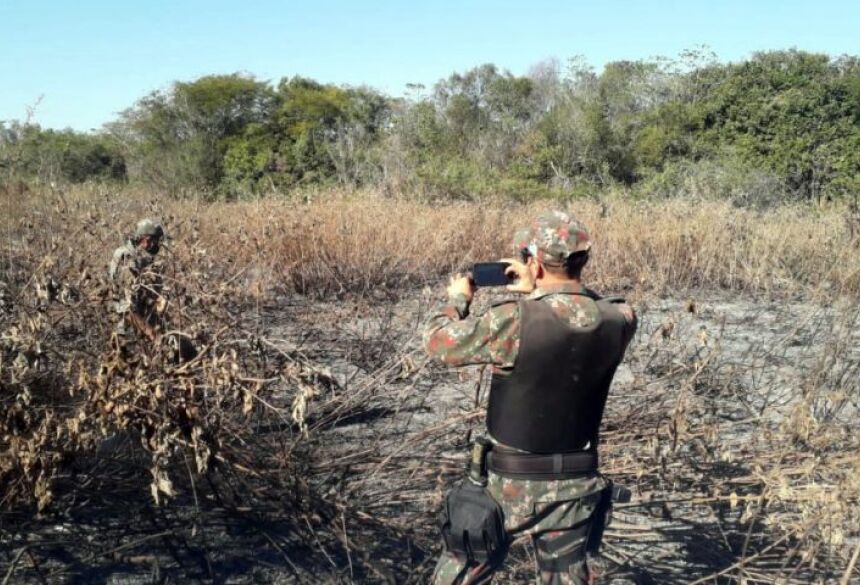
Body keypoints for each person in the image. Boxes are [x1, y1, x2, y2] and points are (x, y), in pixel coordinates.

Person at [424, 210, 637, 584]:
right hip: (576, 483)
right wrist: (541, 289)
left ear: (534, 262)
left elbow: (439, 342)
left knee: (462, 567)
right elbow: (581, 315)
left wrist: (457, 299)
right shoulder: (621, 318)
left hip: (507, 483)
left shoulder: (513, 319)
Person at [109, 218, 166, 343]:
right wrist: (152, 334)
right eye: (156, 241)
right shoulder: (127, 259)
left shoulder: (142, 257)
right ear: (146, 240)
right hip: (128, 334)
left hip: (143, 327)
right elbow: (126, 309)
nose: (158, 245)